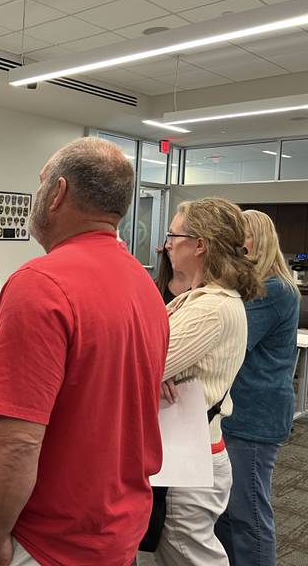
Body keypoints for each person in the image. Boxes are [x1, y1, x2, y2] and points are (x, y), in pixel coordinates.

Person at [0, 137, 170, 566]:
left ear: (58, 193)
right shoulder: (144, 285)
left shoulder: (39, 285)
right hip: (115, 531)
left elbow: (18, 442)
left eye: (41, 182)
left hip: (47, 541)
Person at [152, 197, 264, 566]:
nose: (166, 243)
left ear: (200, 244)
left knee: (189, 555)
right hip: (184, 452)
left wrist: (149, 374)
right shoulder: (195, 299)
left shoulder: (211, 308)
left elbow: (136, 366)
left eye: (174, 234)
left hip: (191, 458)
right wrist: (151, 375)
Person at [215, 210, 299, 566]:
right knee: (227, 513)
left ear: (257, 241)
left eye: (240, 236)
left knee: (248, 513)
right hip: (243, 413)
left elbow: (228, 338)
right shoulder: (258, 288)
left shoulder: (272, 290)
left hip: (255, 416)